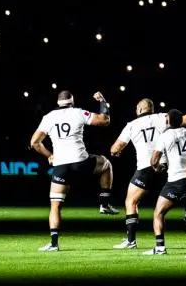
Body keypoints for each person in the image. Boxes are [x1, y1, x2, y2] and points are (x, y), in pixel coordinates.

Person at [110, 92, 186, 249]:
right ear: (152, 108)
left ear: (138, 109)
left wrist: (116, 152)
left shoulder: (131, 125)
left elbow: (115, 148)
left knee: (131, 201)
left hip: (147, 167)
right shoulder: (162, 117)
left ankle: (131, 240)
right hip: (168, 168)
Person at [30, 90, 115, 252]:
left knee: (55, 206)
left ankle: (54, 244)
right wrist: (103, 102)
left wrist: (49, 156)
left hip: (61, 166)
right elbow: (104, 121)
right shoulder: (78, 112)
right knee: (106, 164)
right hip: (80, 162)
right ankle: (104, 203)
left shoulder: (48, 117)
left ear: (58, 102)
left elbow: (34, 142)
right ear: (72, 101)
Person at [140, 110, 186, 255]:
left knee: (158, 213)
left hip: (176, 179)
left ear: (168, 121)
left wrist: (158, 167)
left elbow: (154, 160)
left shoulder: (165, 136)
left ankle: (160, 247)